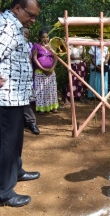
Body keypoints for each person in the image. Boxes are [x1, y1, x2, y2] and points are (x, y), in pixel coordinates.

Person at [0, 0, 40, 207]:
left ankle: (17, 171)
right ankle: (4, 192)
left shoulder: (16, 26)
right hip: (6, 96)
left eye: (35, 17)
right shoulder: (6, 25)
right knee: (6, 143)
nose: (32, 20)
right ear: (17, 8)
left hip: (17, 96)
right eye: (30, 15)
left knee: (16, 139)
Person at [32, 29, 59, 114]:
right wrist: (42, 69)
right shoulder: (36, 46)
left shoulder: (51, 46)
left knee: (51, 90)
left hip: (51, 72)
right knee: (40, 91)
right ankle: (41, 109)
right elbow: (34, 58)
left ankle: (52, 107)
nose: (45, 39)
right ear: (39, 37)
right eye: (43, 37)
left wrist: (52, 69)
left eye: (47, 37)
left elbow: (56, 58)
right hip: (40, 72)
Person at [23, 27, 40, 135]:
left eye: (27, 33)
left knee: (25, 101)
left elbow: (30, 60)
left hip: (25, 75)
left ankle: (31, 122)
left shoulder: (29, 45)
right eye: (25, 33)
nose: (26, 35)